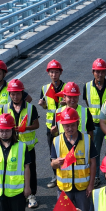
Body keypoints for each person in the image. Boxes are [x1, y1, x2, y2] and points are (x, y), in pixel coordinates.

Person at [49, 107, 97, 211]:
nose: (69, 128)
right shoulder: (56, 141)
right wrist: (56, 162)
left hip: (83, 187)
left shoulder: (87, 140)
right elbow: (52, 163)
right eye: (66, 125)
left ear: (77, 123)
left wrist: (90, 184)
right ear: (62, 125)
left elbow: (93, 162)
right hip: (64, 186)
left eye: (72, 124)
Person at [4, 78, 40, 209]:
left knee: (31, 170)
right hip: (12, 146)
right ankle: (19, 192)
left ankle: (32, 195)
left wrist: (25, 128)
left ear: (22, 93)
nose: (15, 96)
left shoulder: (31, 108)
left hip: (28, 146)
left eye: (17, 93)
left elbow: (36, 125)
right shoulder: (5, 108)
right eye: (12, 94)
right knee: (15, 170)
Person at [39, 59, 65, 188]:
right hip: (50, 126)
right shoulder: (45, 88)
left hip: (64, 125)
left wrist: (66, 103)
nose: (54, 75)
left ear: (60, 73)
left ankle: (65, 174)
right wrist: (43, 105)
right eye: (51, 72)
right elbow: (45, 107)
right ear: (48, 74)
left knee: (64, 150)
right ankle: (55, 176)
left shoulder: (66, 87)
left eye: (56, 72)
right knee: (53, 152)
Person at [86, 58, 106, 164]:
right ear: (93, 72)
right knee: (95, 151)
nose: (100, 74)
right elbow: (88, 102)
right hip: (95, 125)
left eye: (102, 71)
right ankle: (96, 177)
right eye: (97, 71)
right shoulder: (87, 87)